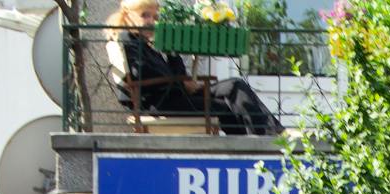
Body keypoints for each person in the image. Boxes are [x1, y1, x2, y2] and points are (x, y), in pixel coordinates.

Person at [110, 0, 280, 136]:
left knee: (234, 85)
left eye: (155, 17)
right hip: (160, 103)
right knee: (222, 107)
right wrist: (181, 84)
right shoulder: (128, 40)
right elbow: (140, 74)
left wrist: (171, 51)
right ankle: (262, 141)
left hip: (175, 95)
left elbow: (178, 74)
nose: (152, 22)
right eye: (145, 15)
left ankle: (270, 134)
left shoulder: (146, 44)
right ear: (127, 16)